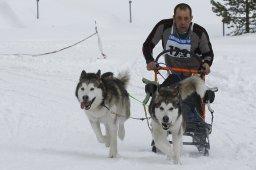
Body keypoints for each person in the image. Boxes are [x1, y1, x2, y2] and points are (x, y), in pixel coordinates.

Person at [142, 3, 214, 152]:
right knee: (166, 93)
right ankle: (162, 121)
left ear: (191, 19)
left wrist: (206, 64)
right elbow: (148, 45)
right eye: (179, 18)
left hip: (192, 74)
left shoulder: (199, 33)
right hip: (173, 72)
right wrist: (150, 60)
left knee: (193, 98)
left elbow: (208, 53)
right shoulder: (164, 27)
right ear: (173, 18)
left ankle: (197, 127)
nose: (183, 22)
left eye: (186, 19)